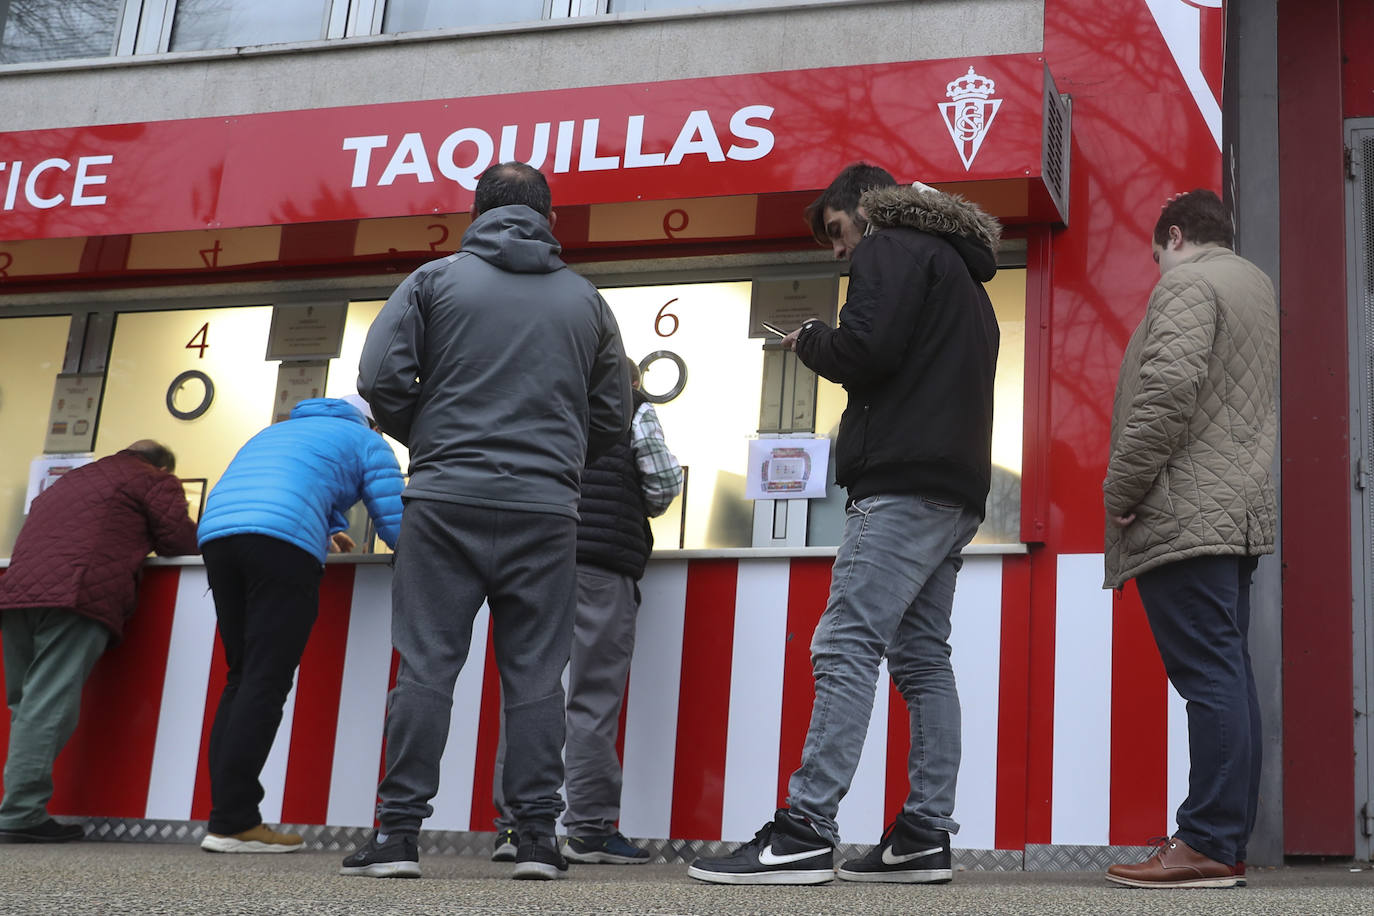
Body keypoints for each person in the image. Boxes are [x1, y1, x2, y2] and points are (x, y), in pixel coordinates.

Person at [688, 163, 1000, 885]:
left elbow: (867, 353)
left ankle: (804, 828)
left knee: (845, 645)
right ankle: (923, 833)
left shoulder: (889, 247)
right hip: (954, 494)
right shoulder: (962, 273)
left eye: (836, 232)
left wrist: (814, 340)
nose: (838, 251)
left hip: (900, 486)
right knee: (923, 660)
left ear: (864, 208)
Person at [344, 162, 630, 881]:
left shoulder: (433, 282)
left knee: (427, 668)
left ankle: (398, 838)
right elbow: (613, 417)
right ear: (550, 221)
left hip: (443, 501)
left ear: (474, 214)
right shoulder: (588, 301)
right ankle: (535, 838)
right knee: (537, 676)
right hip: (545, 510)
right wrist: (559, 460)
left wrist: (433, 440)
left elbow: (379, 379)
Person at [1102, 189, 1278, 889]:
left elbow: (1167, 390)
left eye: (1156, 257)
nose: (1157, 272)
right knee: (1227, 673)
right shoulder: (1254, 287)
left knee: (1208, 677)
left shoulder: (1189, 282)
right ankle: (1222, 842)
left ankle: (1205, 842)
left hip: (1183, 510)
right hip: (1234, 510)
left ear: (1175, 236)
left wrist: (1123, 490)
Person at [491, 358, 683, 866]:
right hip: (599, 568)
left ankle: (516, 828)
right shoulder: (634, 408)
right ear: (629, 381)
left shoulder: (538, 406)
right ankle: (589, 830)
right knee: (592, 699)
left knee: (529, 695)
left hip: (534, 564)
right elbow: (663, 484)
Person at [196, 396, 403, 854]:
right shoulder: (366, 440)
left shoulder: (275, 431)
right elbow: (394, 516)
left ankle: (226, 817)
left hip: (219, 538)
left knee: (243, 677)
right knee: (265, 683)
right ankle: (235, 823)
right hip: (280, 546)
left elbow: (285, 483)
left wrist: (326, 527)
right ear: (374, 422)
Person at [0, 441, 199, 843]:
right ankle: (20, 813)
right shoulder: (154, 480)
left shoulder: (67, 483)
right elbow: (180, 542)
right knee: (48, 704)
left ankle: (17, 806)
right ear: (163, 464)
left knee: (25, 702)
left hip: (16, 593)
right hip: (75, 594)